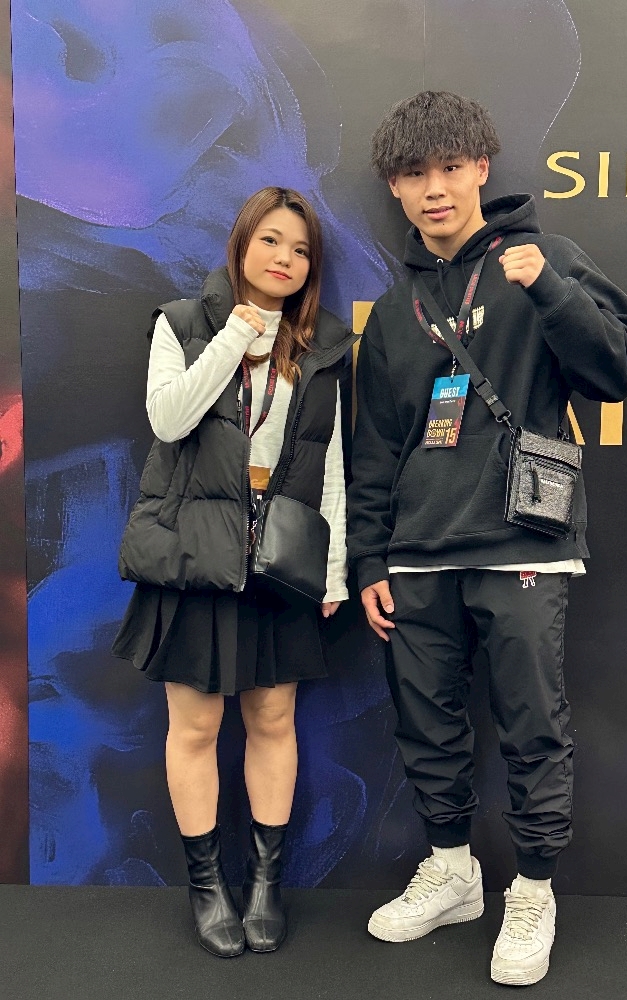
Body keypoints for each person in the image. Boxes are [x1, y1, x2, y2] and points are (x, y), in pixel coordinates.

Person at [347, 91, 627, 986]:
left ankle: (534, 889)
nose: (434, 189)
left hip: (522, 543)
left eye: (450, 167)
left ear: (481, 167)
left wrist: (547, 290)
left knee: (531, 724)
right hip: (417, 553)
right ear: (395, 188)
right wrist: (368, 557)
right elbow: (374, 446)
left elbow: (615, 374)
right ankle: (452, 872)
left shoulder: (545, 260)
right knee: (427, 723)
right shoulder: (394, 310)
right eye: (415, 174)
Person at [113, 187, 353, 957]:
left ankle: (265, 887)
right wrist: (234, 337)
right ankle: (208, 887)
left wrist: (334, 570)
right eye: (271, 240)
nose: (285, 258)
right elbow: (168, 419)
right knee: (195, 726)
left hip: (279, 561)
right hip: (195, 554)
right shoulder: (183, 323)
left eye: (301, 249)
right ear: (242, 243)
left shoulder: (323, 347)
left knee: (273, 721)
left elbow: (331, 462)